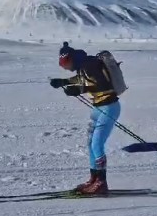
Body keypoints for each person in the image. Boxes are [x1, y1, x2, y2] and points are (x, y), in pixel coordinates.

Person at [50, 42, 121, 195]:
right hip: (99, 107)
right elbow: (81, 78)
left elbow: (101, 85)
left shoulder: (89, 65)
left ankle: (101, 183)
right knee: (90, 144)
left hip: (109, 107)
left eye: (66, 64)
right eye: (63, 66)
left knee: (97, 144)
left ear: (71, 58)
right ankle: (94, 178)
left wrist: (79, 89)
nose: (66, 68)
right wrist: (63, 82)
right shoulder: (84, 66)